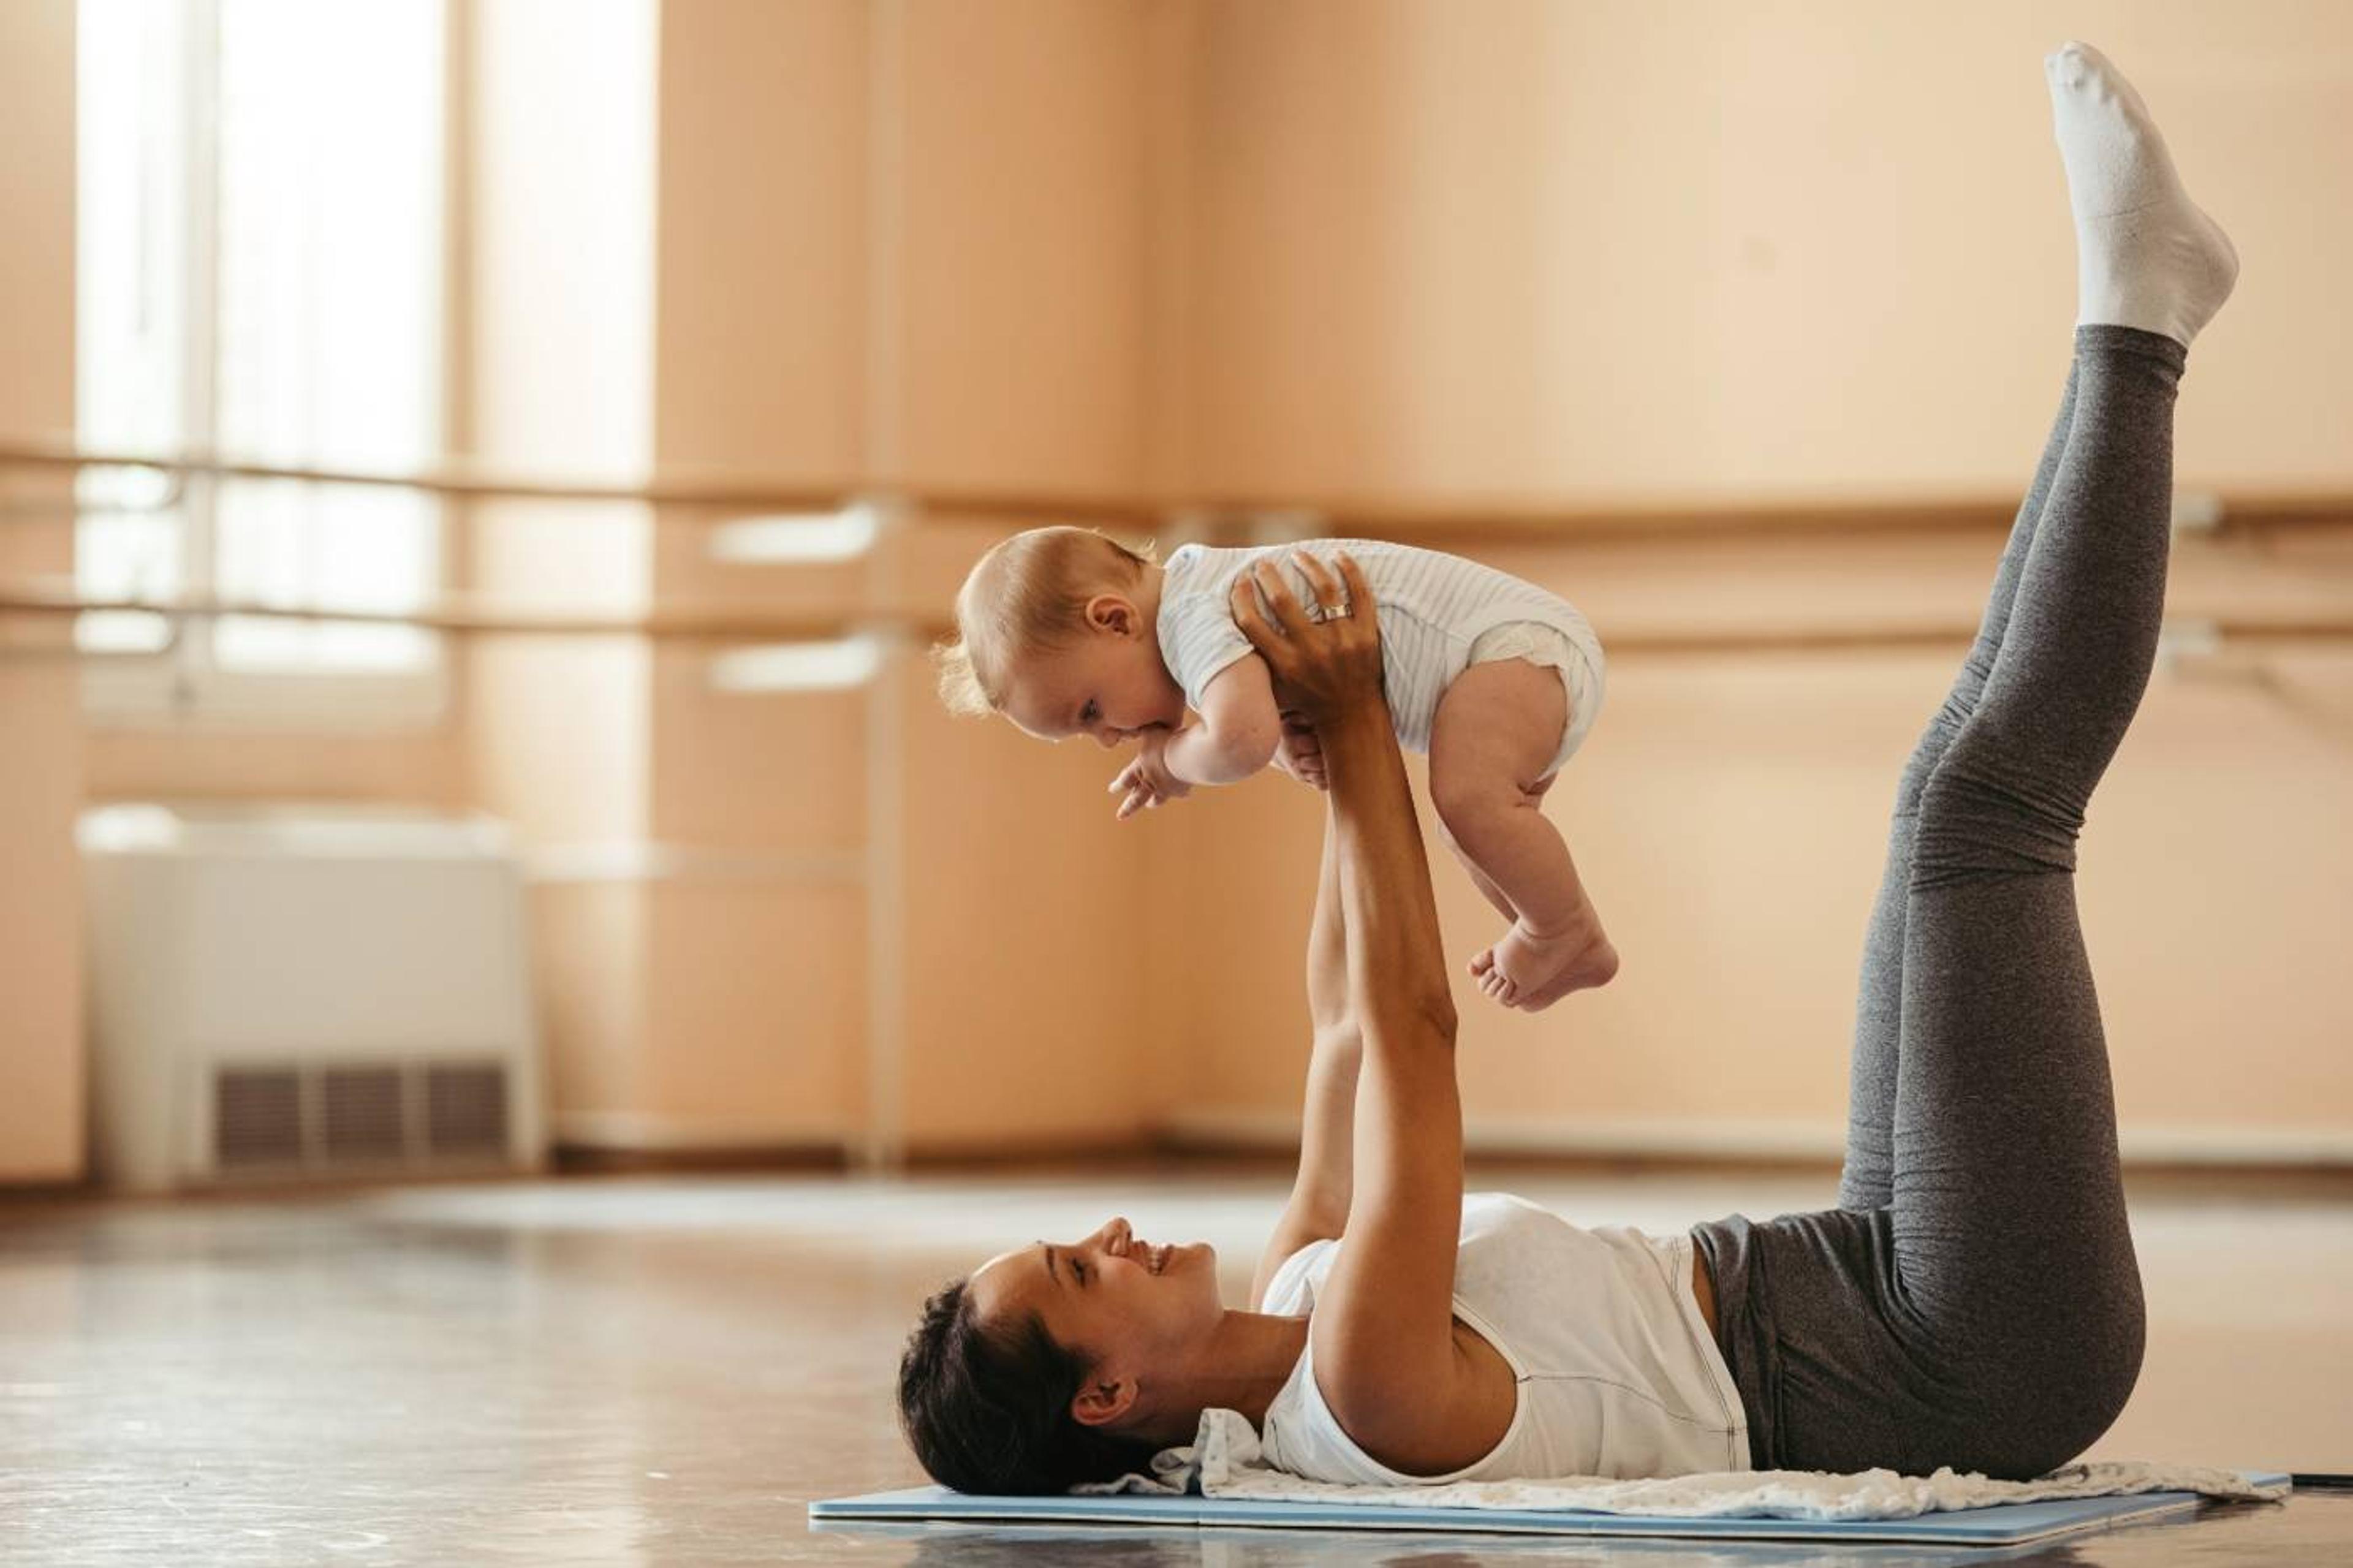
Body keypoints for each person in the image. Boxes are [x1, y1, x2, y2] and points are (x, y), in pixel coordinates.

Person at [896, 40, 2235, 1493]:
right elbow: (1416, 1030)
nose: (1109, 1233)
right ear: (1106, 1392)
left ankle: (2136, 306)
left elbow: (1345, 1027)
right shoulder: (1364, 1387)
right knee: (1986, 815)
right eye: (1078, 1270)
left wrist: (1330, 741)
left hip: (1859, 1261)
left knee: (1933, 799)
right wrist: (1361, 732)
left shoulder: (1297, 1289)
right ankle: (2137, 320)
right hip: (1966, 1348)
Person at [934, 529, 1619, 1010]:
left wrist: (1171, 762)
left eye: (1090, 710)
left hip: (1511, 648)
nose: (1110, 737)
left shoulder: (1187, 614)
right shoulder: (1206, 598)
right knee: (1469, 824)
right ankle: (1559, 937)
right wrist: (1297, 734)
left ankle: (1560, 931)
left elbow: (1240, 739)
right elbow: (1271, 710)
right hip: (1512, 658)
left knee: (1469, 799)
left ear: (1114, 620)